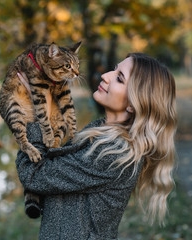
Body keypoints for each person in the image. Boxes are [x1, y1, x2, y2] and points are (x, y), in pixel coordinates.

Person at [15, 53, 177, 240]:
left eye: (119, 78)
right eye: (114, 69)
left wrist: (35, 114)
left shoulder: (114, 151)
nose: (105, 75)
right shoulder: (100, 131)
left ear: (133, 104)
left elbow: (35, 175)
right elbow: (53, 177)